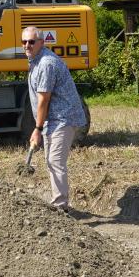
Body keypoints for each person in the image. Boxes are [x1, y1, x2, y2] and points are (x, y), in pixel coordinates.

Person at [22, 26, 88, 211]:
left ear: (41, 43)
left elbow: (44, 99)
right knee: (50, 161)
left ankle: (60, 206)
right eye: (24, 42)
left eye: (32, 41)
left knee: (55, 161)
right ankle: (59, 203)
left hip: (63, 117)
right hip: (53, 119)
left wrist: (37, 129)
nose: (27, 45)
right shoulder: (35, 61)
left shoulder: (46, 64)